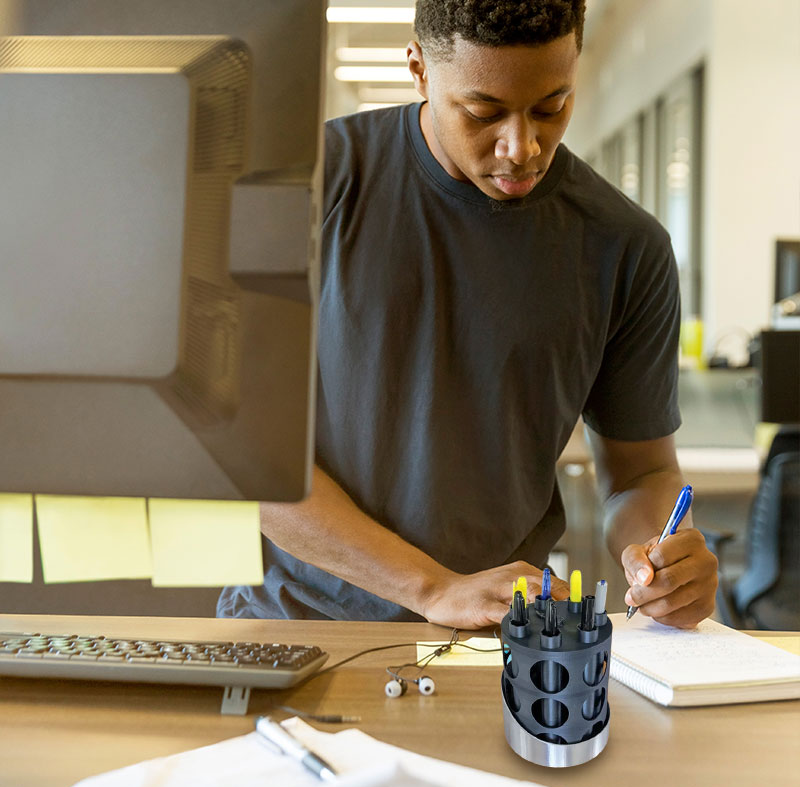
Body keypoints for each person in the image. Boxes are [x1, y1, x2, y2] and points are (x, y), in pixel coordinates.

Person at [218, 0, 718, 630]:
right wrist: (430, 587)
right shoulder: (309, 188)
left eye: (551, 106)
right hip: (296, 625)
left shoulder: (624, 246)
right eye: (484, 112)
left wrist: (663, 561)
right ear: (419, 69)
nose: (522, 146)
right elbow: (242, 452)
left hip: (495, 639)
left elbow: (640, 472)